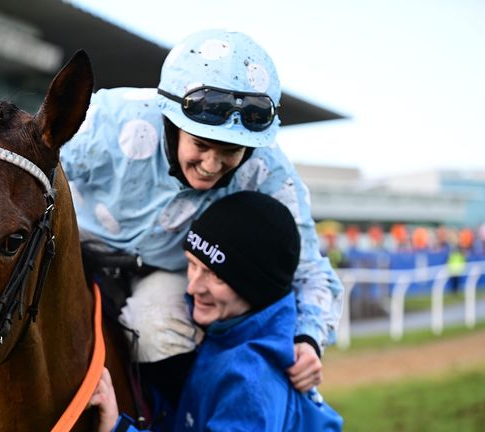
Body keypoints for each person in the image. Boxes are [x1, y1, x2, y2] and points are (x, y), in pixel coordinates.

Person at [61, 29, 343, 399]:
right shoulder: (105, 120)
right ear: (172, 121)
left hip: (168, 272)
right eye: (202, 144)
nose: (212, 165)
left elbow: (310, 269)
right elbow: (34, 176)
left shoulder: (269, 170)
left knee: (162, 332)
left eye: (231, 150)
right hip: (72, 247)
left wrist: (308, 338)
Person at [90, 192, 343, 431]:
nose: (193, 286)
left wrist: (116, 427)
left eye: (215, 275)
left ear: (256, 288)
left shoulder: (250, 383)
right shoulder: (226, 330)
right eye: (192, 265)